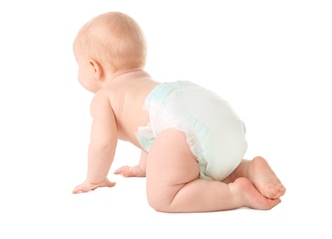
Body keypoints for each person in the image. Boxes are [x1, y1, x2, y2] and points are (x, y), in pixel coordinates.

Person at [71, 11, 286, 213]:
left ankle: (235, 194)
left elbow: (103, 143)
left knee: (163, 197)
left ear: (93, 67)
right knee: (204, 161)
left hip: (182, 129)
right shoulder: (147, 85)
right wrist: (144, 168)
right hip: (210, 114)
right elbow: (152, 130)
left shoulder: (104, 97)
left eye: (78, 65)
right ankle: (247, 169)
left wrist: (95, 178)